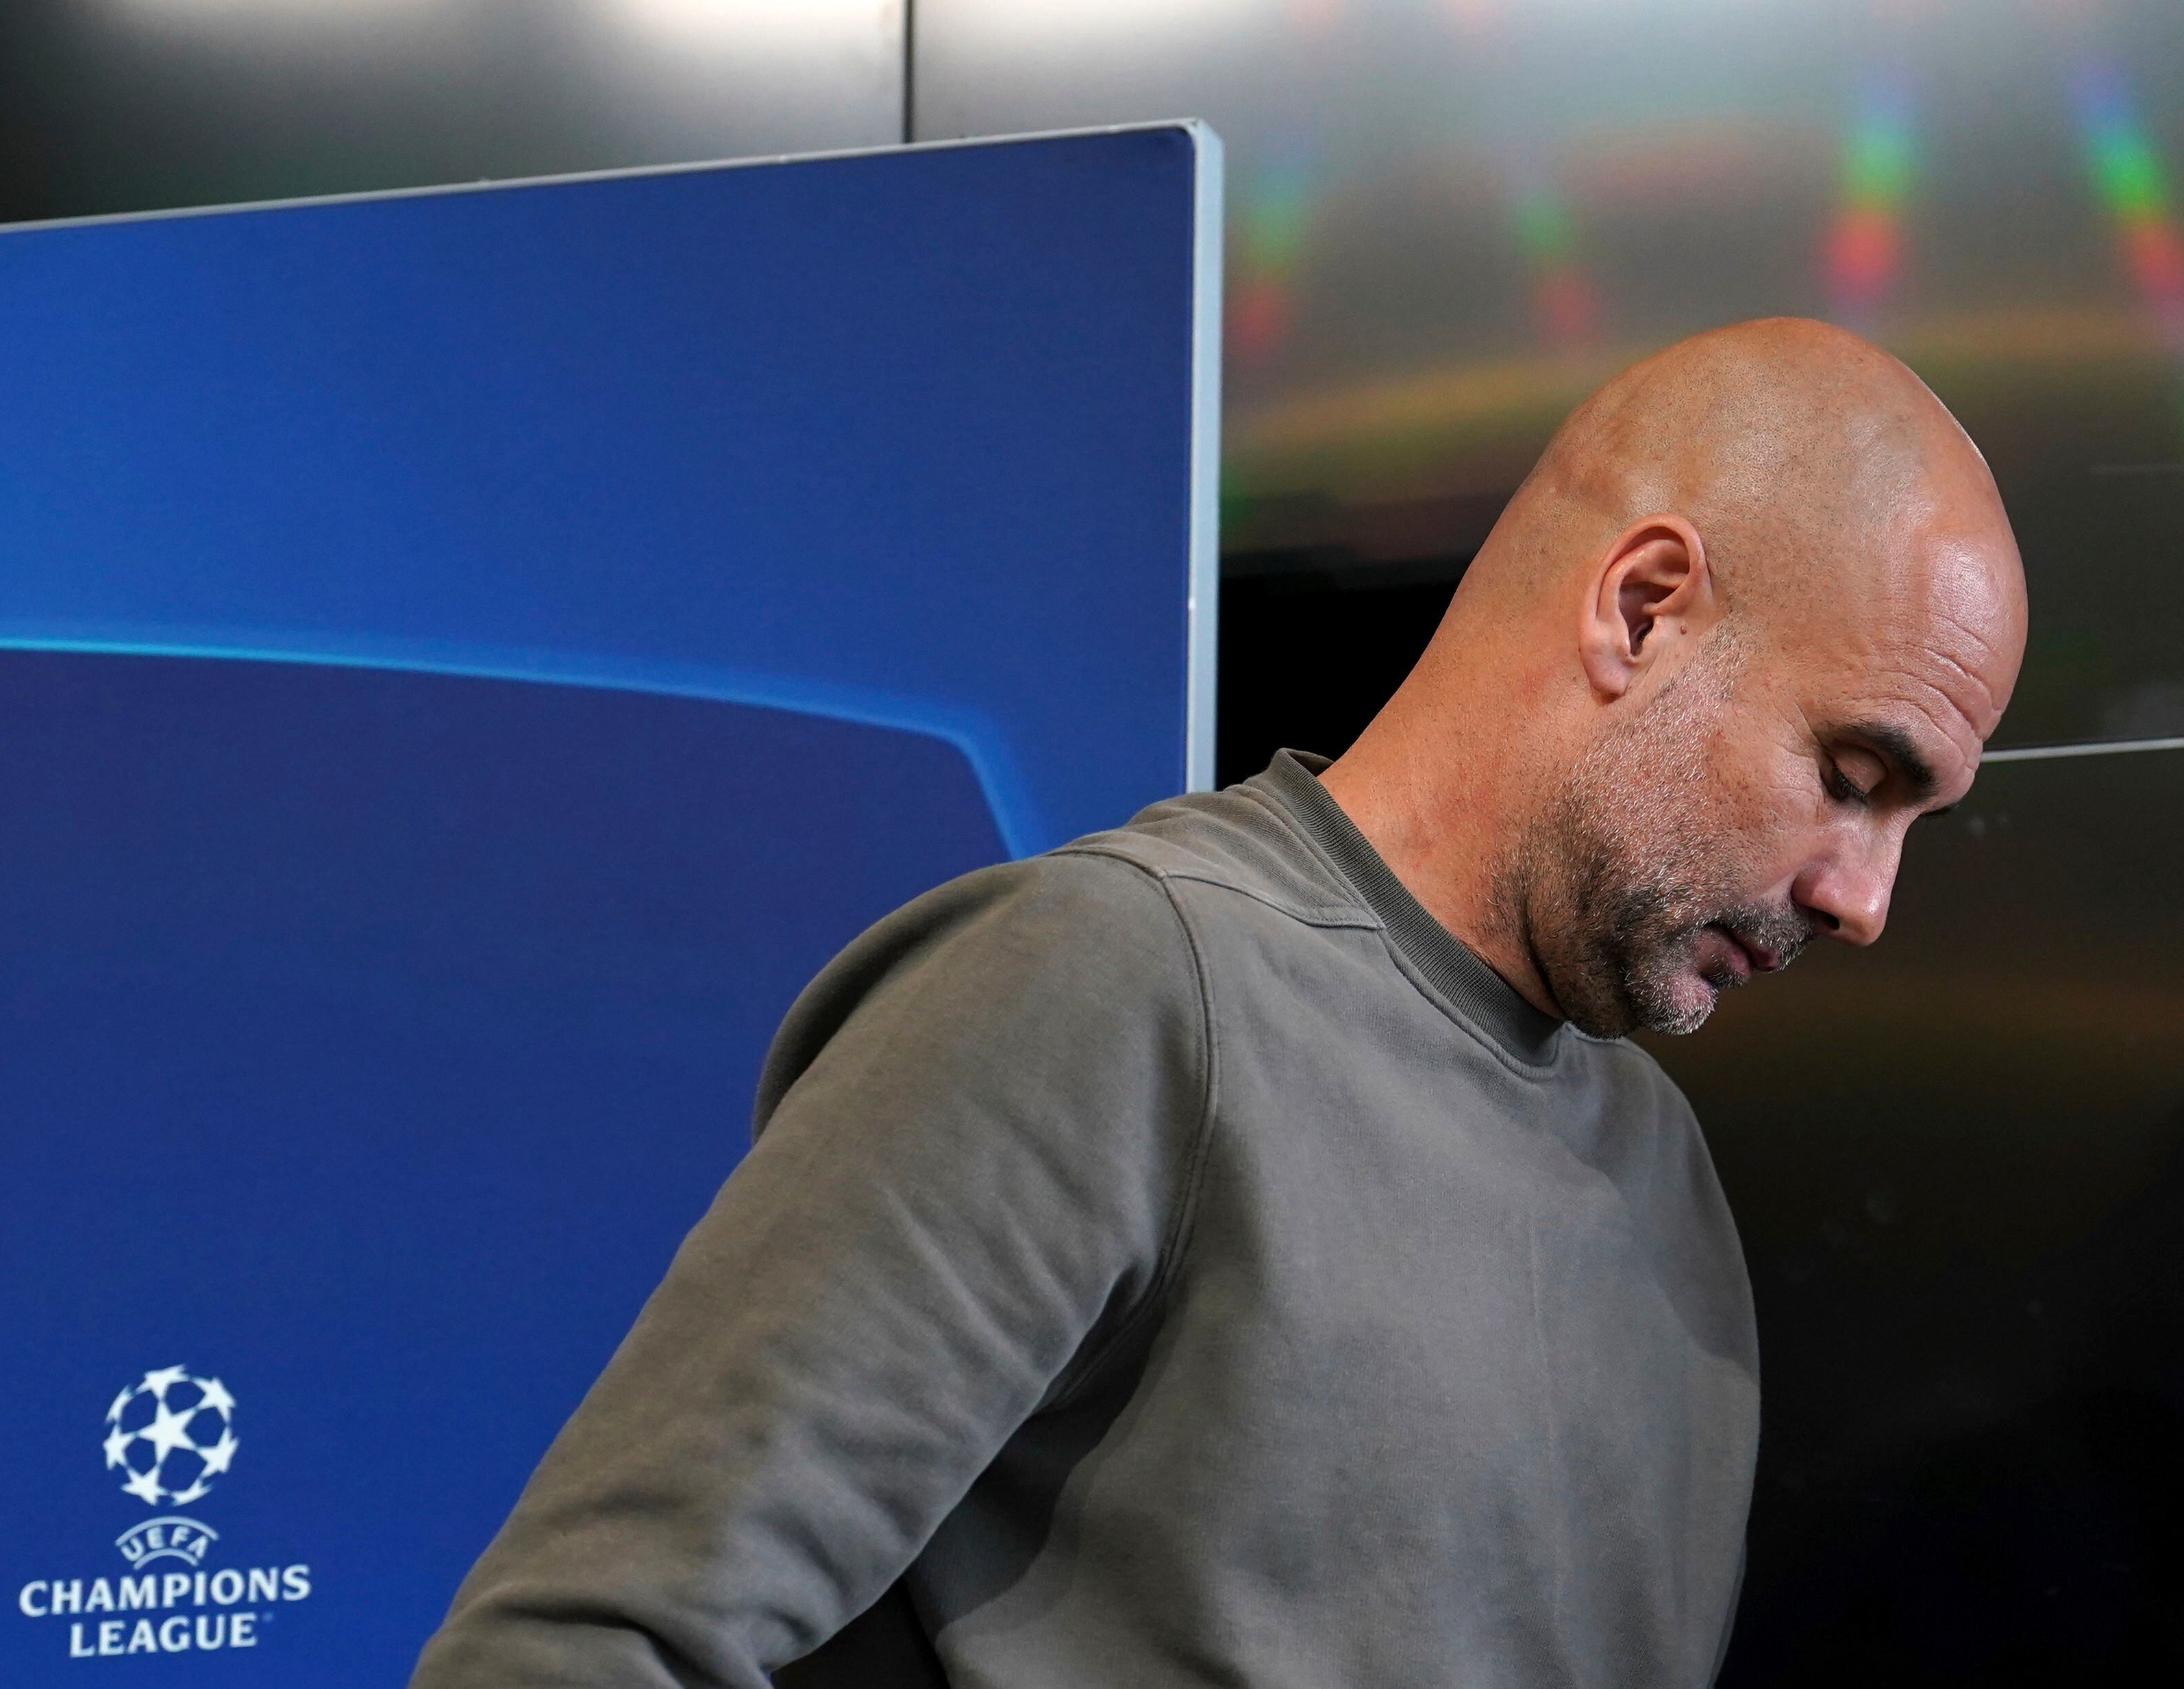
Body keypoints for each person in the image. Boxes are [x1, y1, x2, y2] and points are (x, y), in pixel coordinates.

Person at [408, 317, 2028, 1688]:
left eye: (1911, 819)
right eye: (1852, 774)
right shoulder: (1113, 988)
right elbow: (588, 1646)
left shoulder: (1662, 1176)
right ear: (1642, 609)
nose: (1864, 899)